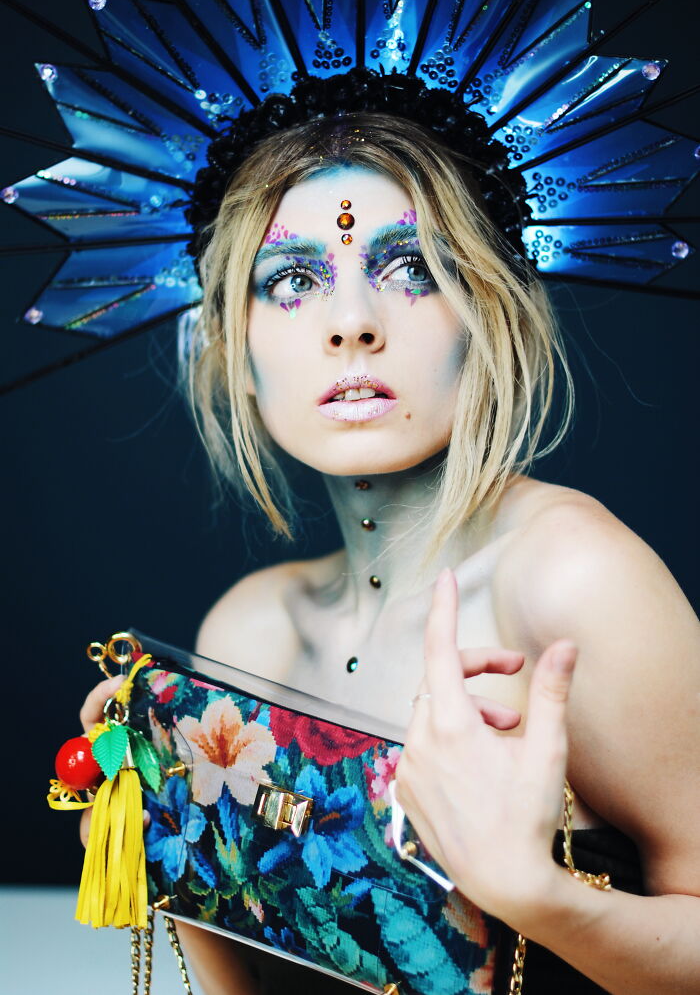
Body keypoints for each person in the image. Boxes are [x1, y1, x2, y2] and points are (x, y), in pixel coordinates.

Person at [79, 112, 700, 995]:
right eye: (291, 279)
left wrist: (537, 897)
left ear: (486, 312)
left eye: (410, 267)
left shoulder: (573, 581)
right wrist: (167, 841)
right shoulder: (251, 635)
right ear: (235, 348)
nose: (351, 324)